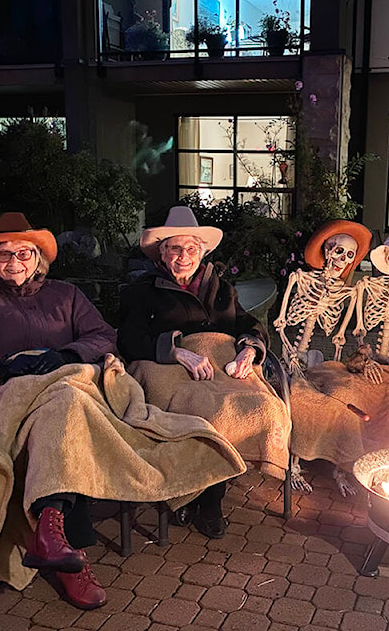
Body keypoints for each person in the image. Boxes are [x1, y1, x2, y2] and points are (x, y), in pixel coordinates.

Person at [0, 213, 245, 609]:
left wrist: (69, 353)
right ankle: (68, 554)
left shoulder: (65, 295)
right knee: (69, 405)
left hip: (68, 385)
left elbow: (103, 336)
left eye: (24, 253)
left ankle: (51, 532)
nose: (14, 262)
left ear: (39, 257)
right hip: (11, 393)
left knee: (68, 405)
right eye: (3, 254)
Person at [115, 206, 288, 539]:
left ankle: (204, 493)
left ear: (202, 252)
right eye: (175, 249)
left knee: (266, 406)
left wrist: (249, 350)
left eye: (191, 249)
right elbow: (130, 339)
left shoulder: (221, 287)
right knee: (206, 414)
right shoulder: (142, 291)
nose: (184, 256)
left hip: (221, 366)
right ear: (162, 253)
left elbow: (247, 324)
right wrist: (175, 350)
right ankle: (207, 500)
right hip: (165, 369)